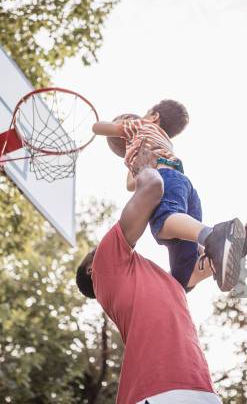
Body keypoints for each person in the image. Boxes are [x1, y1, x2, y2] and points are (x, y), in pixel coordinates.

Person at [76, 143, 222, 403]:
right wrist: (143, 168)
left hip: (200, 390)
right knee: (164, 224)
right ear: (91, 268)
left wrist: (239, 247)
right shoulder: (104, 266)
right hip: (154, 392)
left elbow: (198, 271)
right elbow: (152, 189)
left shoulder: (163, 281)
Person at [92, 102, 246, 292]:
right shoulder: (160, 139)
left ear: (154, 116)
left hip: (165, 180)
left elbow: (99, 128)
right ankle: (246, 243)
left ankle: (212, 236)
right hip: (183, 185)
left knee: (163, 222)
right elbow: (131, 183)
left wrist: (115, 127)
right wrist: (131, 154)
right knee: (184, 276)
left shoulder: (138, 125)